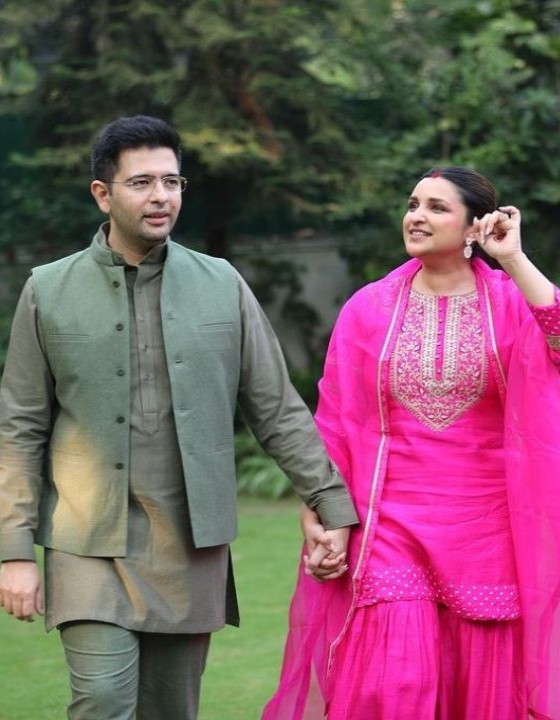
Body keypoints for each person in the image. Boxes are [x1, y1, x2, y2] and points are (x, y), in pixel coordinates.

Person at [0, 115, 358, 719]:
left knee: (171, 711)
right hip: (86, 540)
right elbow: (21, 426)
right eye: (141, 183)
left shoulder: (222, 284)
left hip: (188, 544)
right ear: (103, 193)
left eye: (172, 181)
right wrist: (13, 550)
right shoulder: (47, 290)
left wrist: (332, 505)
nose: (161, 196)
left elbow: (275, 408)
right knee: (103, 700)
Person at [262, 166, 560, 719]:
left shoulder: (510, 303)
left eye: (438, 208)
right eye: (413, 203)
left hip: (486, 527)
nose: (417, 216)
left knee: (479, 691)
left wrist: (511, 256)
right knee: (395, 684)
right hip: (389, 524)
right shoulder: (368, 309)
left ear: (472, 227)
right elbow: (337, 423)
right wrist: (320, 512)